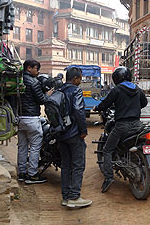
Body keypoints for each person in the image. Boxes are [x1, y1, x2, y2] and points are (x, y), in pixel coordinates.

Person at [93, 66, 148, 193]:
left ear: (116, 78)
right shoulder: (137, 89)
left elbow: (105, 104)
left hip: (122, 126)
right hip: (137, 125)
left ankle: (108, 178)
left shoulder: (117, 90)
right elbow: (144, 103)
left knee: (107, 150)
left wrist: (97, 108)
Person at [57, 67, 92, 208]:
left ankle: (66, 197)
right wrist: (83, 130)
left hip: (61, 133)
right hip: (74, 133)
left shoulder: (60, 91)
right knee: (78, 165)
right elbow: (78, 110)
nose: (81, 81)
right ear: (76, 78)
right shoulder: (76, 90)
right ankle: (74, 197)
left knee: (66, 165)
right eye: (80, 78)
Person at [18, 59, 51, 184]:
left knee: (22, 147)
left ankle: (22, 173)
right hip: (32, 118)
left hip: (19, 118)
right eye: (36, 68)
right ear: (29, 68)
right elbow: (42, 100)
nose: (38, 71)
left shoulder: (18, 80)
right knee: (35, 147)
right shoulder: (34, 82)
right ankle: (32, 174)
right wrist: (48, 94)